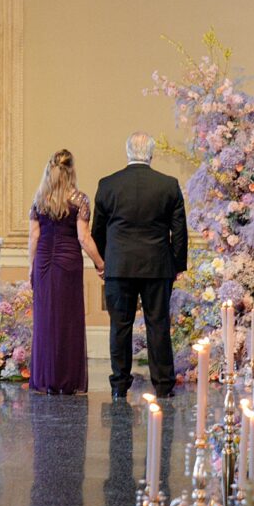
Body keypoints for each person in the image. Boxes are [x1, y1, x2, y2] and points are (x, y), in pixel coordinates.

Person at [91, 132, 187, 400]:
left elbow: (98, 230)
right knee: (158, 325)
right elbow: (179, 231)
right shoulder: (168, 185)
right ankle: (163, 384)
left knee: (120, 326)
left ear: (128, 152)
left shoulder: (108, 184)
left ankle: (119, 384)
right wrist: (177, 264)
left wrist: (102, 262)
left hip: (119, 266)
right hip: (157, 266)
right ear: (151, 155)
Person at [28, 149, 104, 395]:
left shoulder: (39, 199)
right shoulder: (80, 200)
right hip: (68, 262)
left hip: (43, 262)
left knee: (45, 320)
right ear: (71, 170)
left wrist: (31, 267)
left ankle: (46, 379)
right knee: (68, 321)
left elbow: (34, 237)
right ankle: (67, 380)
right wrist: (100, 263)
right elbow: (83, 238)